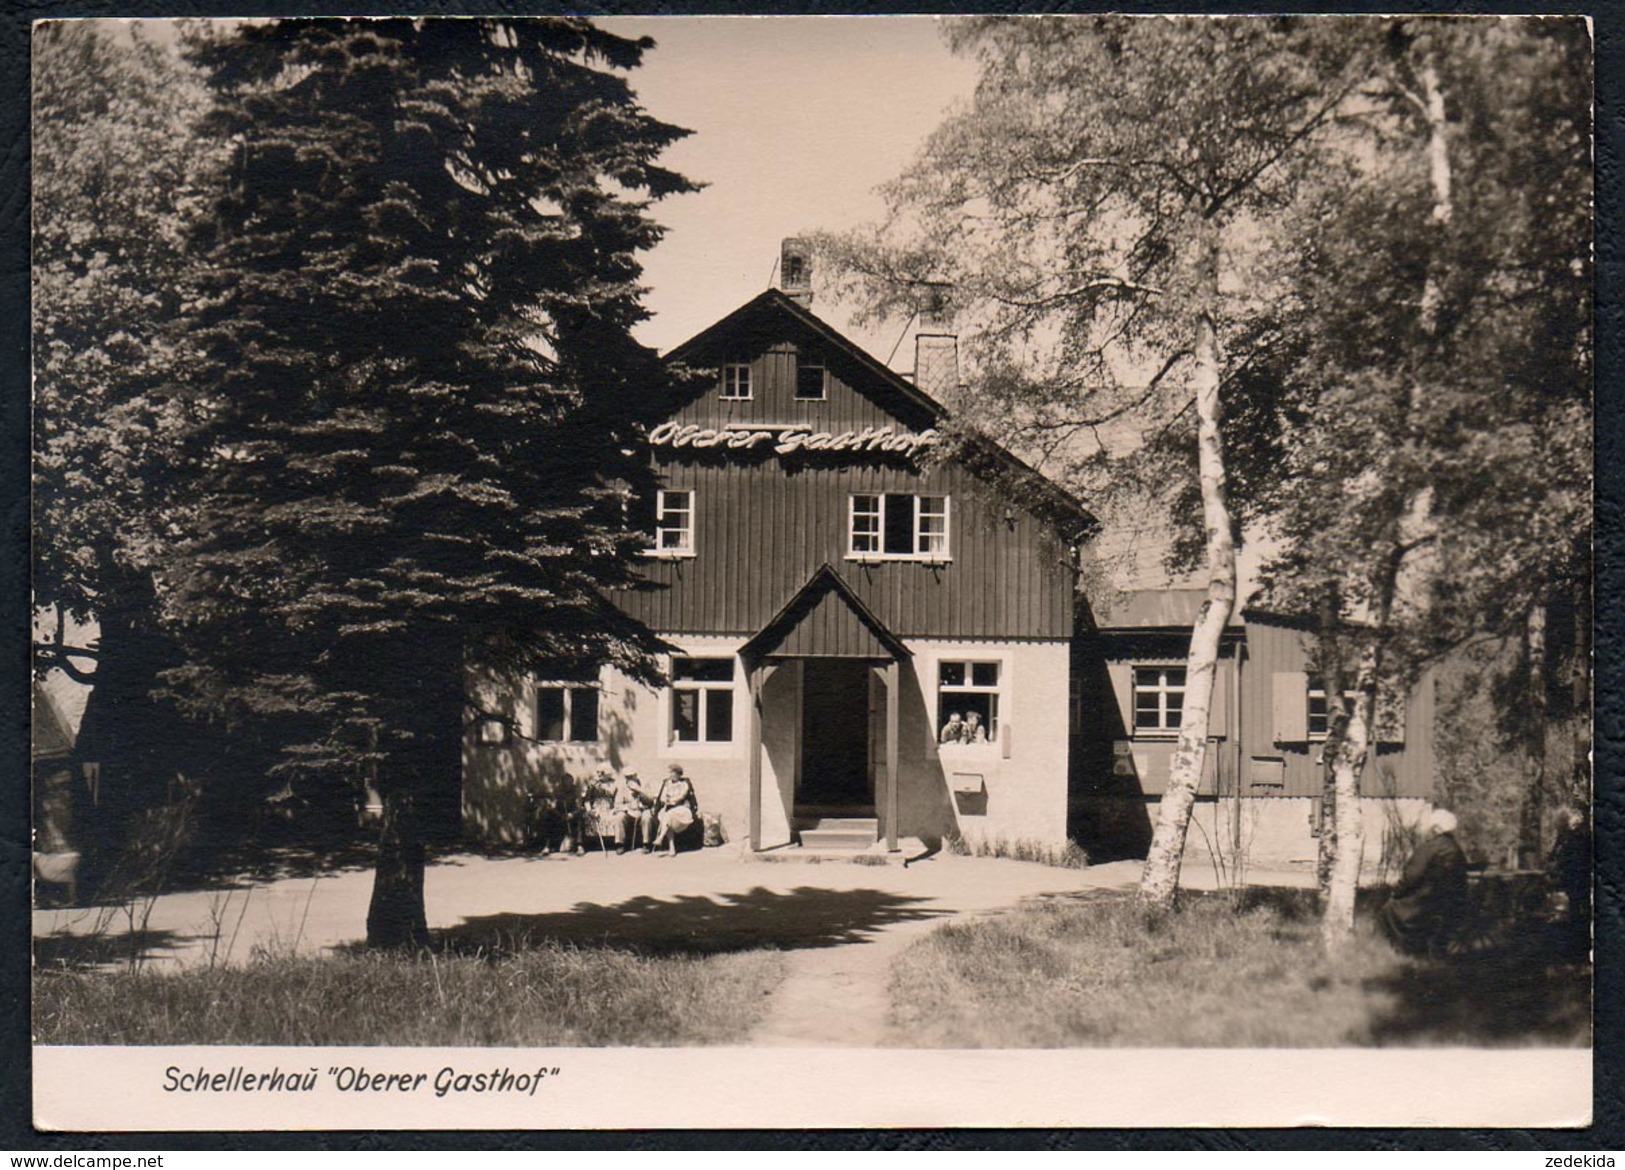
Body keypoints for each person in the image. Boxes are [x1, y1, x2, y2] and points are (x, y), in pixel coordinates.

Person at [1379, 808, 1470, 957]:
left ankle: (1405, 950)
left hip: (1429, 900)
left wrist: (1397, 892)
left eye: (1431, 828)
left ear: (1436, 828)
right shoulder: (1454, 847)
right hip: (1452, 899)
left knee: (1389, 909)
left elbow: (1411, 876)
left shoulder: (1430, 848)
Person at [652, 764, 699, 858]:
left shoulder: (684, 784)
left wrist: (672, 800)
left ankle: (661, 837)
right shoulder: (667, 784)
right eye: (670, 773)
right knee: (666, 816)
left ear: (679, 774)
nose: (671, 775)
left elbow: (681, 797)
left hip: (682, 809)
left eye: (673, 773)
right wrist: (665, 800)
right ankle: (671, 847)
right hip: (669, 809)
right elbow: (662, 797)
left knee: (668, 816)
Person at [608, 769, 654, 855]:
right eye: (627, 777)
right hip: (628, 812)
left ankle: (646, 844)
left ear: (636, 775)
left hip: (642, 810)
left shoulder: (644, 784)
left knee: (647, 816)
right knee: (619, 817)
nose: (629, 779)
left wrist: (640, 790)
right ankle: (620, 844)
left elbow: (651, 801)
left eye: (631, 776)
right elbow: (617, 804)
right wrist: (628, 807)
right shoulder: (622, 787)